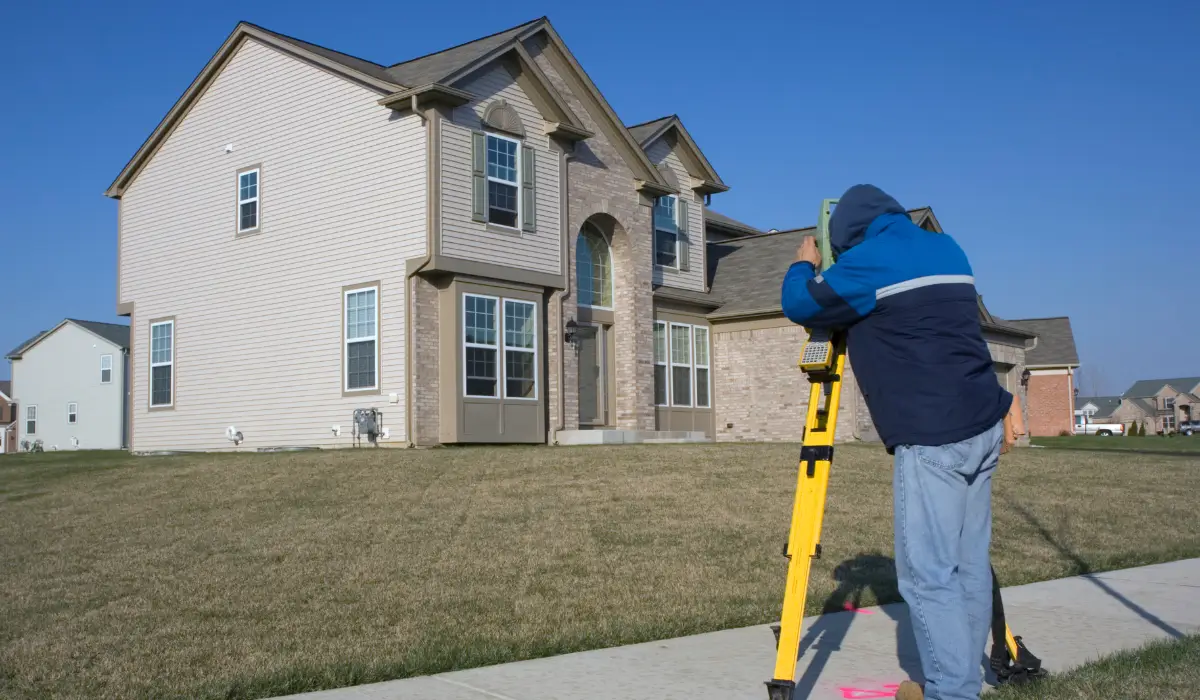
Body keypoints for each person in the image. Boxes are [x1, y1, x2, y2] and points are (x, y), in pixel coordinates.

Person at [780, 184, 1016, 700]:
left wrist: (804, 264)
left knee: (927, 577)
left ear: (847, 237)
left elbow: (801, 303)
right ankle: (956, 679)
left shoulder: (870, 263)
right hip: (982, 424)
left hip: (933, 439)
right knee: (968, 566)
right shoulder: (947, 247)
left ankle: (951, 692)